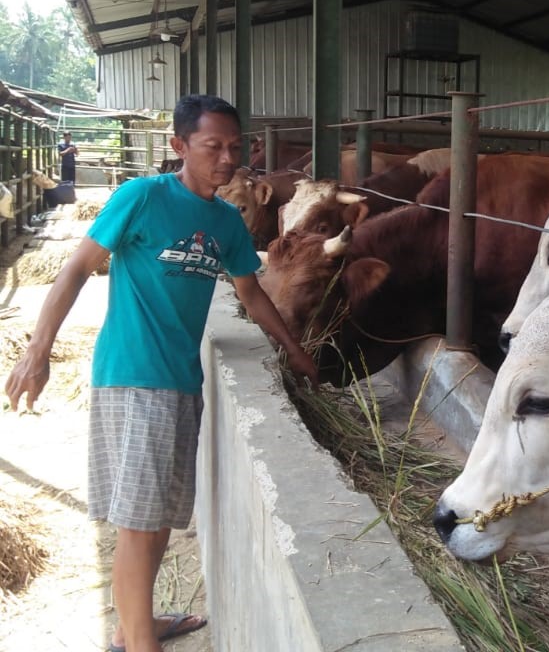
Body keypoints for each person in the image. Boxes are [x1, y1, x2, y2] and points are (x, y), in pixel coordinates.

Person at [5, 95, 319, 652]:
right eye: (212, 147)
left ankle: (136, 626)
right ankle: (138, 643)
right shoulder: (142, 197)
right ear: (179, 147)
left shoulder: (225, 219)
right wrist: (39, 349)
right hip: (133, 375)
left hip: (180, 381)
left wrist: (294, 350)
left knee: (159, 518)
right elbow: (78, 268)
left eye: (234, 146)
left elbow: (250, 291)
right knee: (138, 523)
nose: (227, 159)